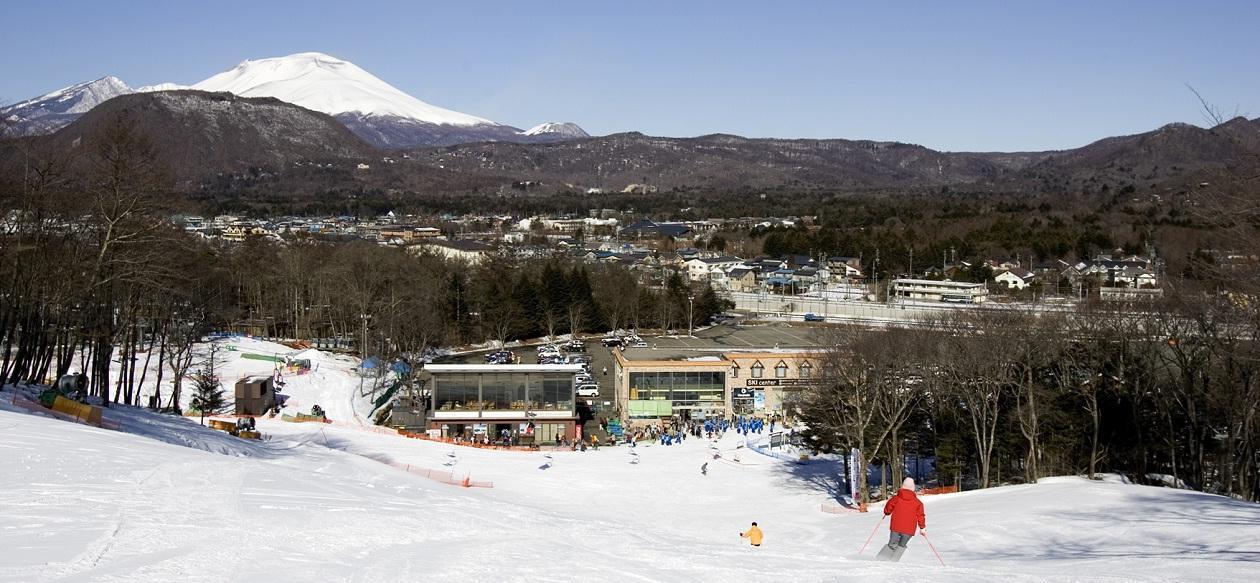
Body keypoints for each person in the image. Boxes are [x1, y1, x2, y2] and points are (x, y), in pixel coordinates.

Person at [881, 477, 926, 559]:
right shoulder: (918, 503)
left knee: (892, 544)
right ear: (913, 488)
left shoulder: (896, 498)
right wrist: (922, 528)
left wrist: (887, 512)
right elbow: (921, 516)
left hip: (896, 526)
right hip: (909, 529)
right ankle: (894, 561)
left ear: (903, 487)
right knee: (901, 545)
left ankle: (882, 559)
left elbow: (888, 508)